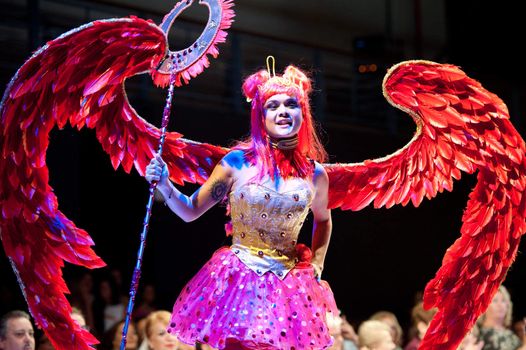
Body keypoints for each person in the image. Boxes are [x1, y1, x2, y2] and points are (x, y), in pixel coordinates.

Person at [145, 61, 337, 349]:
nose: (283, 111)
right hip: (240, 280)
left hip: (288, 284)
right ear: (260, 115)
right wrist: (164, 184)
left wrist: (318, 265)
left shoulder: (315, 174)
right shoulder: (237, 163)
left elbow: (324, 220)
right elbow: (189, 211)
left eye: (291, 104)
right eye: (273, 106)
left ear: (303, 113)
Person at [477, 285, 526, 350]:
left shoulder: (509, 331)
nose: (500, 305)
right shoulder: (484, 336)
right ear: (484, 307)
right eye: (495, 301)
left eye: (503, 300)